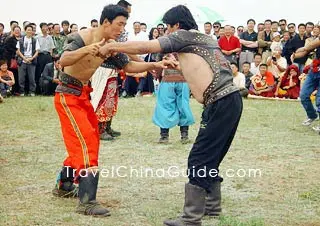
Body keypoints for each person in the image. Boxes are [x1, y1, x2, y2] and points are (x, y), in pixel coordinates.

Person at [99, 5, 243, 225]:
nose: (166, 32)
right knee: (211, 156)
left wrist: (114, 45)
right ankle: (212, 207)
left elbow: (146, 45)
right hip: (228, 101)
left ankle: (191, 217)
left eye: (167, 27)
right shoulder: (200, 39)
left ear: (176, 25)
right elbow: (199, 69)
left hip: (221, 102)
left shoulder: (182, 36)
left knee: (198, 158)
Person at [53, 4, 177, 217]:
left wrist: (156, 65)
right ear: (106, 22)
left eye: (124, 25)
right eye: (119, 24)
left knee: (90, 137)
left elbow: (129, 67)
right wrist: (86, 50)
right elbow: (63, 61)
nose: (121, 29)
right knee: (86, 142)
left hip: (83, 94)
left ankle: (64, 184)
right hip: (67, 94)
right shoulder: (82, 37)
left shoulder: (111, 45)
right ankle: (87, 202)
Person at [292, 37, 320, 131]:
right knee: (303, 95)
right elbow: (306, 50)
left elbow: (309, 46)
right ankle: (312, 115)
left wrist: (304, 48)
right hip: (314, 70)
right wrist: (295, 55)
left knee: (319, 99)